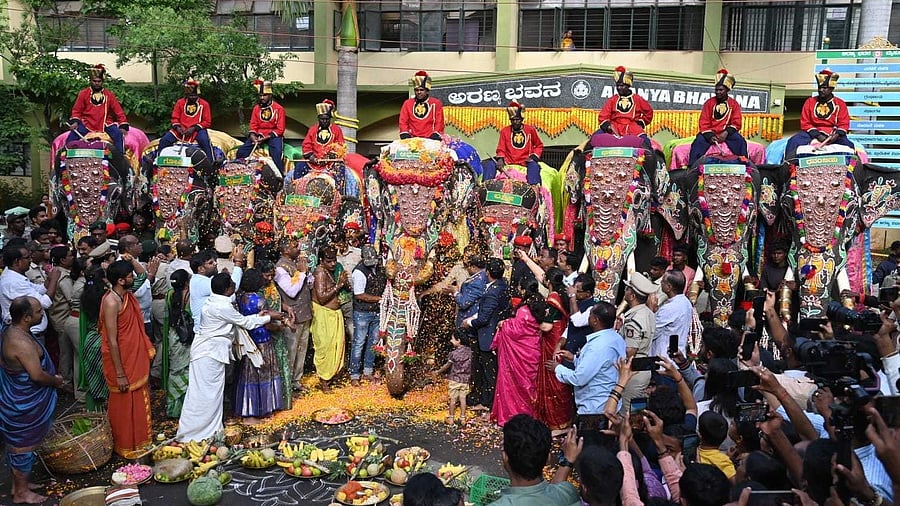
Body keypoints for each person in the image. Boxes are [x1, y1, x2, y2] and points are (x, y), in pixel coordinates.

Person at [177, 273, 278, 441]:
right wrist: (270, 317)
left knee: (205, 394)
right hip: (209, 354)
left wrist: (260, 317)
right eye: (232, 284)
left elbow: (241, 319)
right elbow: (245, 323)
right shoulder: (222, 306)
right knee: (207, 396)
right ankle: (200, 434)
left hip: (206, 352)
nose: (234, 286)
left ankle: (205, 431)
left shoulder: (214, 300)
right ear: (226, 290)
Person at [0, 296, 65, 504]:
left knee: (21, 446)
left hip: (22, 399)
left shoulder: (16, 331)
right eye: (38, 312)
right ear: (27, 318)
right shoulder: (19, 342)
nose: (42, 313)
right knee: (22, 447)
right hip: (23, 404)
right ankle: (21, 493)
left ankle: (19, 485)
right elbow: (36, 375)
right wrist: (55, 381)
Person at [100, 260, 155, 457]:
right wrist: (120, 373)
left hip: (134, 357)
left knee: (140, 400)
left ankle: (140, 441)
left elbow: (143, 276)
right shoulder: (111, 302)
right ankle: (126, 445)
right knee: (124, 403)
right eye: (130, 276)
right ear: (121, 280)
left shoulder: (127, 296)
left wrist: (131, 259)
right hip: (121, 362)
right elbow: (112, 341)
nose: (134, 278)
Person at [548, 302, 623, 447]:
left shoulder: (598, 346)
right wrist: (575, 358)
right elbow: (599, 366)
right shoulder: (615, 338)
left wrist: (558, 368)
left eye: (590, 315)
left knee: (592, 450)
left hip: (595, 408)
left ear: (595, 320)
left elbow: (579, 378)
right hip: (607, 403)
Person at [491, 414, 582, 506]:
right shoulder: (569, 493)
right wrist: (567, 461)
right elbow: (557, 493)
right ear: (548, 459)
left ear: (505, 458)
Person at [491, 277, 546, 426]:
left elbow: (516, 331)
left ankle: (512, 415)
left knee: (514, 385)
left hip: (519, 353)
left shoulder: (523, 310)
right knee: (529, 386)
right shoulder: (540, 305)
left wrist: (504, 323)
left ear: (523, 290)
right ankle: (529, 416)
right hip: (533, 350)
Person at [234, 268, 285, 423]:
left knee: (248, 375)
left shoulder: (239, 298)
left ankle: (248, 410)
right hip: (261, 341)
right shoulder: (260, 300)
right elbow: (267, 323)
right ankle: (260, 411)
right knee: (263, 374)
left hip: (247, 342)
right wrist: (281, 326)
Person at [463, 258, 509, 412]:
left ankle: (488, 403)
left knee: (489, 372)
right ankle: (486, 400)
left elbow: (483, 318)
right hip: (495, 333)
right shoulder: (503, 285)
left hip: (488, 336)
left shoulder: (493, 292)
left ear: (487, 272)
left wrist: (468, 323)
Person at [535, 268, 575, 431]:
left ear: (549, 281)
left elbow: (546, 326)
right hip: (560, 337)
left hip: (553, 340)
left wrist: (531, 322)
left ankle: (557, 422)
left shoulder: (552, 298)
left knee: (553, 378)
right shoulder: (560, 295)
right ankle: (563, 420)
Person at [785, 69, 854, 160]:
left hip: (833, 134)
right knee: (793, 141)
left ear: (831, 88)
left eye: (824, 88)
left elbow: (844, 124)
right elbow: (805, 123)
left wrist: (835, 136)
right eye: (819, 87)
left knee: (849, 146)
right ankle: (788, 167)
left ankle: (851, 171)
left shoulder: (840, 103)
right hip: (811, 133)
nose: (821, 90)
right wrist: (818, 135)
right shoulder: (809, 102)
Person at [274, 239, 313, 394]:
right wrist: (302, 273)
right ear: (284, 250)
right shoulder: (279, 268)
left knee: (302, 350)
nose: (298, 248)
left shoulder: (297, 265)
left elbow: (309, 285)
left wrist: (306, 274)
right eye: (294, 246)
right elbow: (291, 291)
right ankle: (286, 385)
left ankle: (296, 381)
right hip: (291, 317)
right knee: (291, 351)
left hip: (304, 313)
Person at [688, 69, 748, 166]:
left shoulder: (734, 104)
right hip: (710, 132)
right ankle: (691, 168)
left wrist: (726, 133)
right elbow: (704, 122)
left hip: (727, 133)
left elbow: (736, 122)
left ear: (727, 90)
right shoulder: (709, 103)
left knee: (740, 142)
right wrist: (710, 136)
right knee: (698, 143)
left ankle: (745, 167)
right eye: (716, 90)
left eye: (721, 90)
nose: (718, 92)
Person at [1, 244, 58, 342]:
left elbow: (39, 289)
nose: (30, 260)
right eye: (27, 258)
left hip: (31, 334)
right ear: (17, 262)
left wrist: (49, 278)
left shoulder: (16, 277)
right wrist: (54, 279)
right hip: (27, 336)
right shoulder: (13, 282)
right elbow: (45, 303)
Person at [67, 64, 129, 155]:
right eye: (94, 81)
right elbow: (77, 110)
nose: (97, 83)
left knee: (118, 134)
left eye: (99, 81)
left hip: (105, 123)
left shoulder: (109, 95)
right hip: (86, 123)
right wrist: (75, 122)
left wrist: (123, 125)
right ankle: (65, 157)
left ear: (102, 82)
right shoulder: (83, 94)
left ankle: (120, 158)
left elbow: (118, 111)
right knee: (71, 139)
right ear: (90, 81)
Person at [47, 246, 84, 395]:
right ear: (62, 260)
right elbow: (72, 298)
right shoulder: (62, 277)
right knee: (66, 352)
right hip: (63, 317)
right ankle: (65, 382)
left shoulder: (57, 272)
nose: (72, 258)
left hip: (61, 317)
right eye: (69, 256)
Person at [311, 246, 348, 391]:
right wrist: (339, 285)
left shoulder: (331, 270)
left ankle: (331, 377)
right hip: (323, 315)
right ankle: (324, 380)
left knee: (337, 346)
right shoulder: (320, 273)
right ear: (321, 260)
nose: (333, 264)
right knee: (325, 348)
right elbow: (321, 297)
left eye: (334, 260)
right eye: (329, 261)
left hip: (334, 314)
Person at [258, 260, 294, 409]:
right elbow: (263, 315)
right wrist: (281, 324)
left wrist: (287, 308)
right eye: (267, 276)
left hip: (278, 329)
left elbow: (276, 300)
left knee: (282, 363)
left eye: (272, 275)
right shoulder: (258, 290)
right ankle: (272, 402)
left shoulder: (272, 285)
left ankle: (284, 400)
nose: (270, 279)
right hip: (267, 332)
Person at [483, 101, 544, 185]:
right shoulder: (505, 131)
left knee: (534, 167)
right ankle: (485, 186)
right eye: (513, 120)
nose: (515, 122)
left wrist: (533, 157)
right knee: (489, 164)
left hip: (525, 161)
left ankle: (534, 189)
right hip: (508, 160)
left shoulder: (530, 130)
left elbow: (539, 145)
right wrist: (500, 159)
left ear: (522, 119)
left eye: (517, 120)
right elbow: (501, 148)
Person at [350, 245, 386, 385]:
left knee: (374, 342)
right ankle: (354, 374)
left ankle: (368, 371)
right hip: (362, 312)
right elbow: (359, 295)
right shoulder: (359, 272)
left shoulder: (380, 268)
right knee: (359, 343)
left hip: (377, 312)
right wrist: (379, 299)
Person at [156, 78, 214, 163]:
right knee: (164, 140)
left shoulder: (204, 104)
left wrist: (194, 128)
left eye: (195, 95)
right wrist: (178, 128)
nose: (193, 97)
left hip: (197, 130)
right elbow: (174, 118)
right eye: (191, 96)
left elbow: (207, 122)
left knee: (204, 141)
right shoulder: (180, 103)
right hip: (180, 129)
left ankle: (211, 162)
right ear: (186, 94)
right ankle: (157, 162)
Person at [619, 272, 656, 404]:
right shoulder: (647, 312)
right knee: (637, 411)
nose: (625, 291)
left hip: (633, 372)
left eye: (627, 288)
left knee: (627, 412)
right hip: (643, 369)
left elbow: (630, 351)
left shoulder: (634, 320)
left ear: (632, 295)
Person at [235, 79, 286, 175]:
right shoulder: (256, 108)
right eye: (260, 95)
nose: (262, 97)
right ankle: (240, 173)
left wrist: (265, 138)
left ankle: (279, 176)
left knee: (277, 152)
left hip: (273, 135)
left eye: (265, 95)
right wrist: (253, 137)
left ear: (270, 95)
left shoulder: (279, 109)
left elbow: (280, 129)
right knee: (241, 152)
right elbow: (253, 125)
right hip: (259, 134)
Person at [189, 250, 244, 334]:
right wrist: (238, 263)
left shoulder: (204, 279)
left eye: (215, 261)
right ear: (201, 269)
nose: (215, 264)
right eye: (210, 263)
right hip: (207, 334)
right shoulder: (200, 282)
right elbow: (232, 288)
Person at [79, 265, 109, 409]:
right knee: (108, 381)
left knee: (94, 380)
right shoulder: (108, 297)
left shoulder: (84, 297)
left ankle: (94, 415)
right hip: (105, 340)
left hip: (90, 340)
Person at [597, 66, 653, 141]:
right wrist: (608, 125)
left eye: (622, 86)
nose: (619, 88)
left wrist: (640, 123)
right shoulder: (612, 100)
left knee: (645, 141)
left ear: (628, 86)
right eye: (618, 86)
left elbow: (648, 112)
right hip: (614, 127)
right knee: (595, 137)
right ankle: (580, 151)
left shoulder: (637, 99)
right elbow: (603, 115)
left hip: (632, 128)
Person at [163, 269, 191, 418]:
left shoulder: (169, 295)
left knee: (175, 371)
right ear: (186, 282)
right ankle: (186, 406)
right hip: (186, 338)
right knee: (187, 371)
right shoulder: (190, 296)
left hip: (174, 336)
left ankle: (173, 407)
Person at [434, 329, 473, 426]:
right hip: (465, 379)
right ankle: (463, 418)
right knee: (463, 399)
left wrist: (438, 372)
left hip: (455, 379)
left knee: (453, 399)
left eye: (452, 339)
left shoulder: (453, 354)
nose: (451, 341)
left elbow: (447, 366)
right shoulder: (469, 351)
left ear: (458, 340)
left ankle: (451, 418)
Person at [650, 270, 692, 357]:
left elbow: (652, 333)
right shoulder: (686, 302)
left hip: (664, 358)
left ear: (669, 287)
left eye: (662, 281)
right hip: (678, 353)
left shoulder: (669, 308)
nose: (660, 282)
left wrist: (650, 310)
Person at [299, 99, 345, 176]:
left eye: (326, 119)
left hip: (331, 161)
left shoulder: (336, 129)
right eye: (322, 119)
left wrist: (329, 157)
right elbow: (306, 145)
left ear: (330, 119)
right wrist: (311, 157)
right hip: (313, 161)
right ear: (318, 118)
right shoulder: (312, 129)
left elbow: (341, 146)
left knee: (341, 170)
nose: (324, 121)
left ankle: (338, 188)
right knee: (299, 167)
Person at [399, 70, 444, 140]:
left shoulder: (436, 103)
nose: (419, 92)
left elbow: (439, 121)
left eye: (421, 90)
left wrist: (436, 133)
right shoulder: (407, 103)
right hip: (412, 139)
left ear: (427, 91)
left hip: (431, 139)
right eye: (417, 90)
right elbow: (403, 121)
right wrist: (405, 133)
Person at [697, 411, 737, 481]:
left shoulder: (693, 451)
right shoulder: (723, 461)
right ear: (725, 438)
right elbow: (735, 482)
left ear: (700, 435)